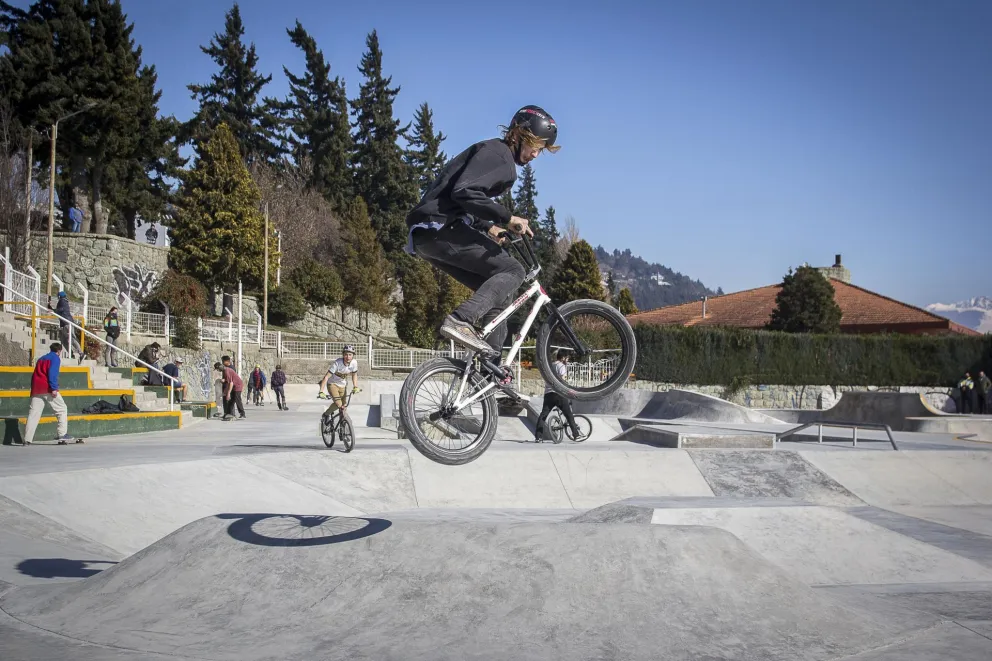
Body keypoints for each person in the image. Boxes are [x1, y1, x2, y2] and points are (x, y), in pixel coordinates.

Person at [404, 105, 559, 355]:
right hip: (440, 227)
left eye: (541, 150)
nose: (535, 154)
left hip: (429, 234)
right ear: (518, 134)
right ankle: (461, 320)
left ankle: (492, 367)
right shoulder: (500, 156)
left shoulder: (494, 153)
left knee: (500, 290)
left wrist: (488, 227)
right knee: (513, 270)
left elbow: (461, 198)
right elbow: (464, 192)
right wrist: (507, 218)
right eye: (535, 146)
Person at [24, 342, 73, 445]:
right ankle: (62, 434)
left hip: (36, 389)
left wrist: (33, 389)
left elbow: (34, 375)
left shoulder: (41, 359)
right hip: (47, 388)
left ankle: (27, 439)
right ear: (59, 351)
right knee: (62, 409)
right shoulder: (55, 358)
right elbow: (52, 373)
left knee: (33, 414)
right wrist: (54, 388)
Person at [534, 350, 581, 441]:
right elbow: (563, 380)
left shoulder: (550, 366)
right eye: (567, 358)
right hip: (559, 394)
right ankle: (576, 435)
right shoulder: (561, 366)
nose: (567, 360)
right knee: (569, 415)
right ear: (563, 358)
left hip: (548, 394)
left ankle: (538, 437)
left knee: (543, 415)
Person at [319, 345, 360, 420]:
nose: (348, 357)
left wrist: (355, 386)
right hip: (332, 384)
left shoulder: (354, 363)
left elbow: (354, 375)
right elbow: (326, 377)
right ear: (343, 355)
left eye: (350, 355)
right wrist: (321, 391)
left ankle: (343, 422)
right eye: (346, 354)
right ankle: (326, 414)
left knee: (344, 406)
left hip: (343, 385)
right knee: (339, 404)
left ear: (353, 355)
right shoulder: (337, 363)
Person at [49, 291, 82, 363]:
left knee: (71, 339)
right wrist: (53, 309)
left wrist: (54, 310)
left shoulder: (62, 301)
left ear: (59, 296)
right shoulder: (65, 301)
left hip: (67, 322)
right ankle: (71, 354)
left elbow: (61, 309)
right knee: (64, 341)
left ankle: (81, 353)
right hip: (65, 323)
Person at [218, 356, 245, 420]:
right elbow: (228, 382)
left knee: (237, 399)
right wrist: (226, 391)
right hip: (233, 385)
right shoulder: (225, 370)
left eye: (223, 361)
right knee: (231, 401)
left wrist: (228, 393)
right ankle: (228, 414)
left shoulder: (228, 370)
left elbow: (231, 383)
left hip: (237, 385)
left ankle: (242, 414)